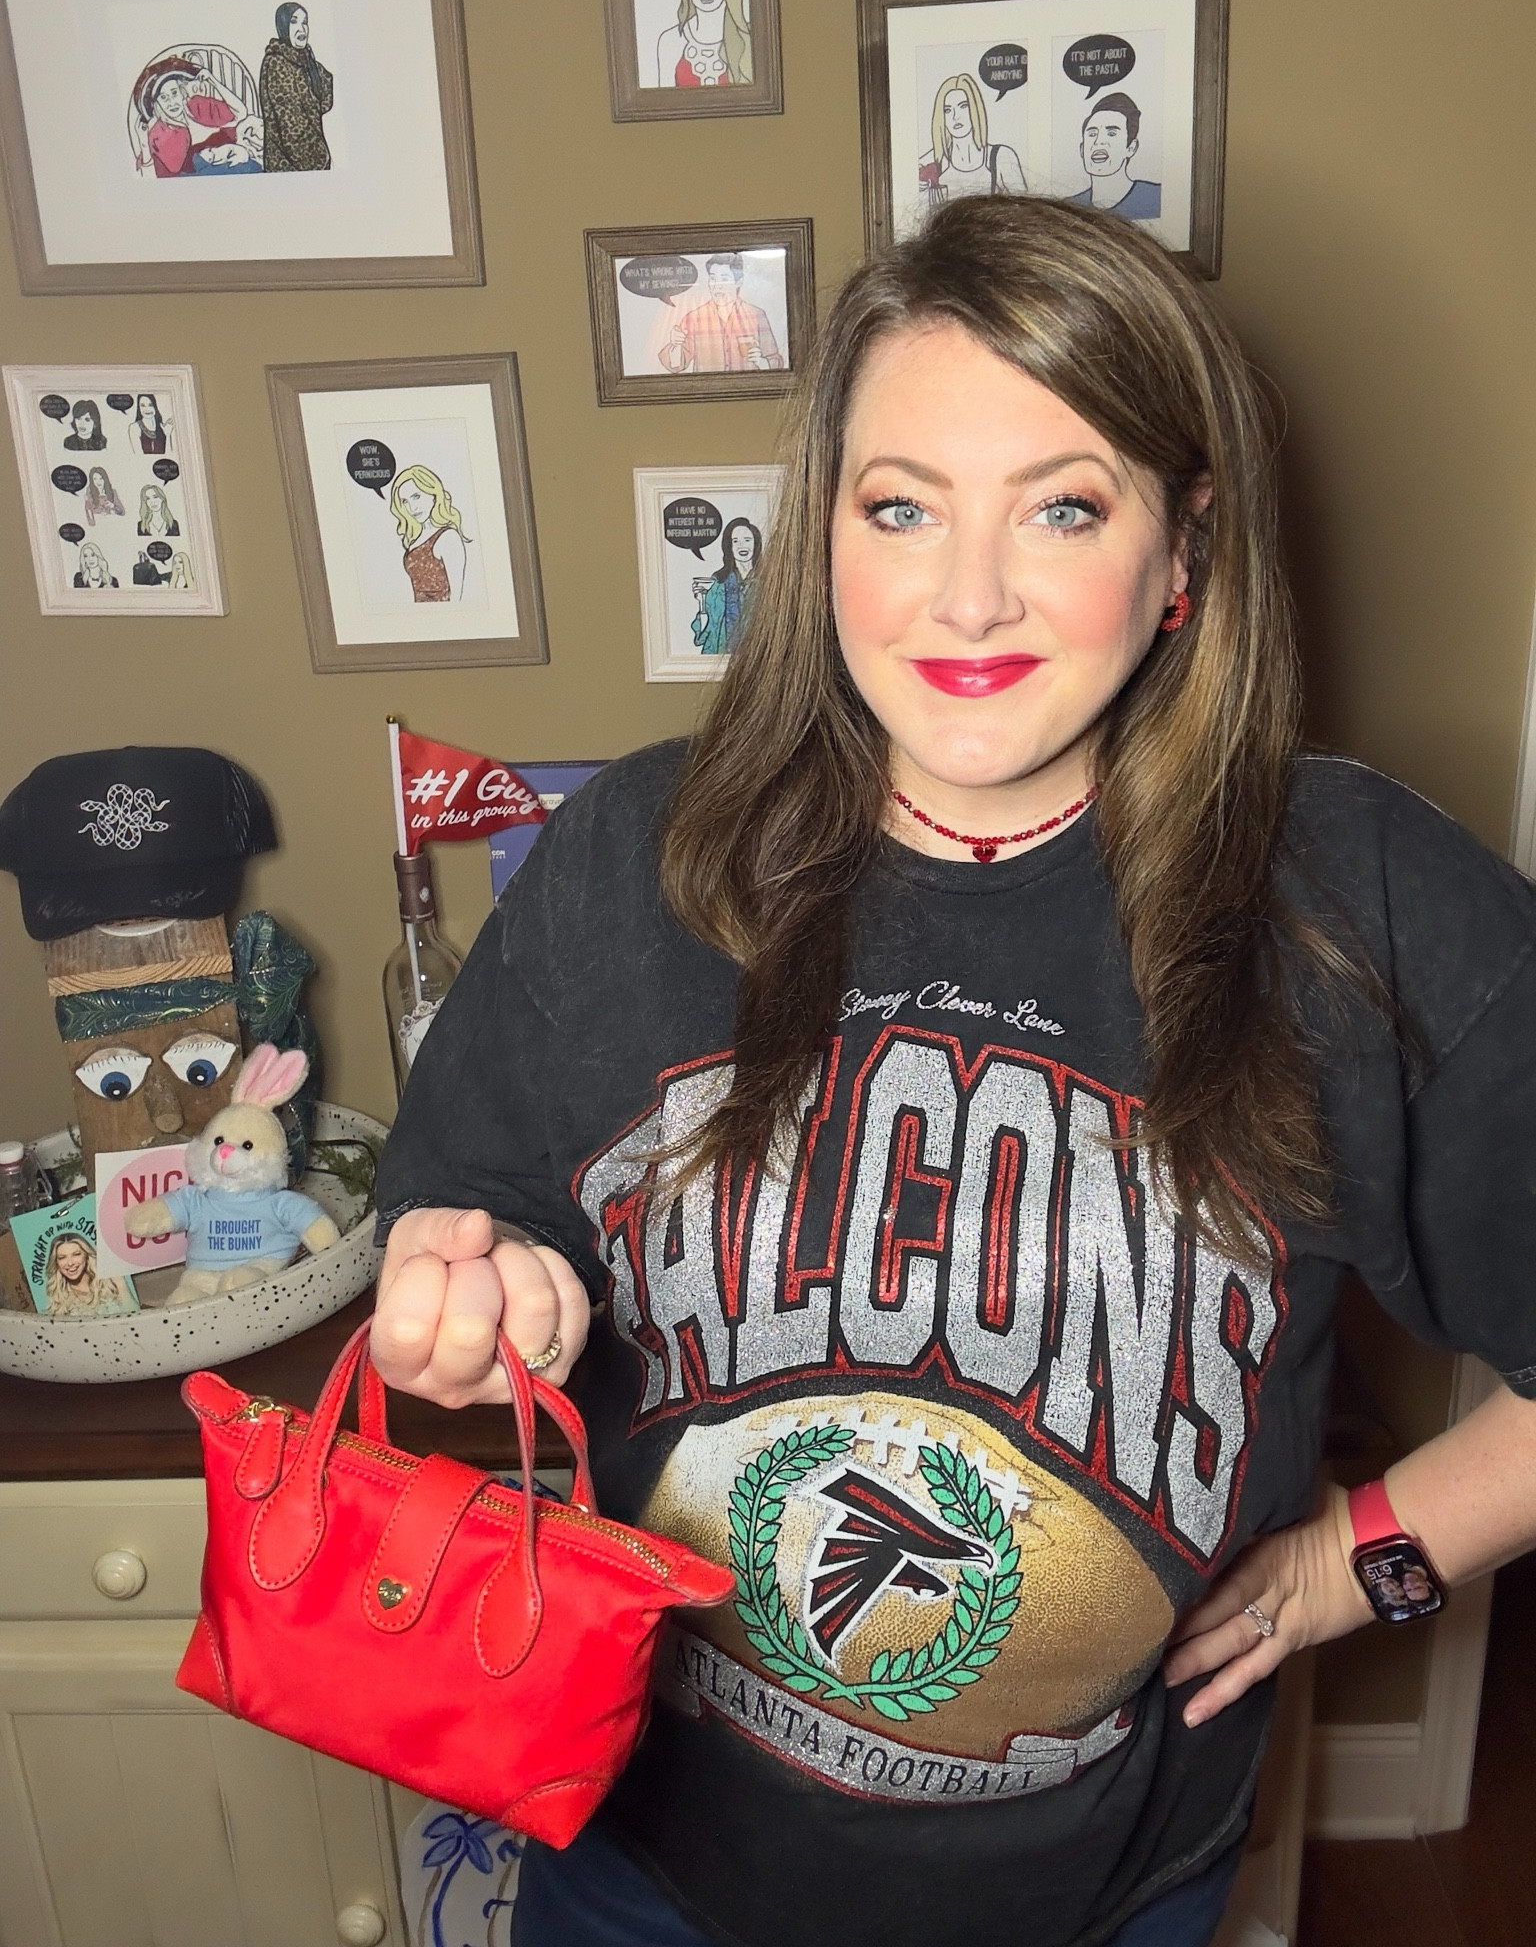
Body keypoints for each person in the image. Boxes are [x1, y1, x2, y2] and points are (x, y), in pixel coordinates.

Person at [370, 195, 1536, 1947]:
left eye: (1062, 504)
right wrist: (466, 1297)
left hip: (1098, 1893)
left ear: (1182, 549)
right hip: (645, 1864)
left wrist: (1358, 1556)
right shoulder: (633, 855)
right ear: (821, 534)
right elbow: (456, 1232)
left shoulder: (1361, 905)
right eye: (900, 505)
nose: (967, 594)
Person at [130, 53, 259, 178]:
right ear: (156, 104)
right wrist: (144, 145)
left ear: (182, 92)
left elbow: (241, 112)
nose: (171, 103)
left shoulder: (195, 106)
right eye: (164, 97)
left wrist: (212, 80)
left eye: (174, 93)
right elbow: (158, 177)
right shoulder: (160, 132)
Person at [659, 253, 784, 374]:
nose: (717, 286)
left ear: (738, 282)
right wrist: (675, 344)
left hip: (747, 393)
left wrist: (763, 364)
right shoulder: (693, 318)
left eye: (724, 279)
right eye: (713, 278)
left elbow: (777, 361)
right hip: (707, 393)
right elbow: (676, 366)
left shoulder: (757, 315)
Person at [918, 73, 1025, 205]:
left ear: (975, 109)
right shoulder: (930, 163)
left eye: (963, 106)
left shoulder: (1000, 157)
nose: (955, 116)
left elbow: (1026, 213)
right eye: (947, 110)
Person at [259, 2, 334, 171]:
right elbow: (291, 130)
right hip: (289, 167)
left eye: (305, 22)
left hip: (315, 161)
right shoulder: (276, 63)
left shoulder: (307, 62)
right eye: (294, 21)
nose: (302, 28)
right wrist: (319, 162)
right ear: (283, 26)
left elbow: (324, 102)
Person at [1067, 92, 1162, 220]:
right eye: (1092, 134)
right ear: (1082, 149)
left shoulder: (1156, 197)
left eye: (1111, 133)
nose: (1098, 142)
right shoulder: (1067, 209)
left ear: (1131, 148)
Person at [389, 465, 469, 603]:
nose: (411, 508)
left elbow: (457, 595)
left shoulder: (448, 537)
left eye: (416, 497)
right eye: (405, 501)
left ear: (433, 495)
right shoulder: (414, 539)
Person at [691, 515, 761, 655]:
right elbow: (702, 637)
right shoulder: (719, 581)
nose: (742, 545)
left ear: (756, 543)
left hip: (759, 659)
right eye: (735, 541)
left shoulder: (767, 580)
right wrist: (702, 601)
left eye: (747, 540)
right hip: (723, 656)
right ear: (729, 547)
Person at [41, 1232, 132, 1316]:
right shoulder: (59, 1301)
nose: (70, 1263)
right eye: (62, 1257)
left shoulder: (109, 1282)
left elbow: (134, 1314)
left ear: (86, 1255)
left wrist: (121, 1284)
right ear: (56, 1263)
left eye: (76, 1254)